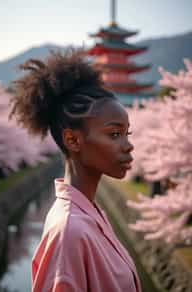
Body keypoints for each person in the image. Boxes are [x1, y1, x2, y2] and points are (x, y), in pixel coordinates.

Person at [10, 51, 142, 292]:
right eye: (114, 134)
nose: (128, 145)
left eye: (127, 133)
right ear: (72, 140)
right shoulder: (70, 231)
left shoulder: (89, 213)